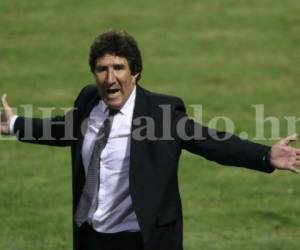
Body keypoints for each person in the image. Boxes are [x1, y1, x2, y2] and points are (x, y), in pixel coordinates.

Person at [0, 31, 300, 250]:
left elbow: (212, 142)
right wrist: (15, 124)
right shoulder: (89, 100)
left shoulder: (162, 115)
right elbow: (63, 128)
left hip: (143, 240)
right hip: (91, 237)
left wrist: (266, 156)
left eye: (118, 68)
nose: (109, 78)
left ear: (136, 73)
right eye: (102, 69)